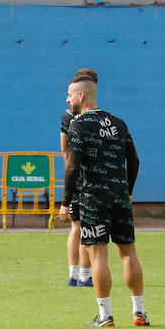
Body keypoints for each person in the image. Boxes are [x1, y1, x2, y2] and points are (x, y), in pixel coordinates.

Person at [60, 70, 147, 328]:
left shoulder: (78, 125)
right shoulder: (119, 123)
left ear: (81, 95)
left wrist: (66, 201)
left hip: (93, 200)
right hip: (120, 196)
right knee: (128, 253)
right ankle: (139, 312)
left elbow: (72, 166)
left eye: (69, 95)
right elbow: (134, 160)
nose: (67, 100)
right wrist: (128, 191)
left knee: (98, 257)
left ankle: (105, 316)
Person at [60, 68, 96, 289]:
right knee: (82, 226)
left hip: (76, 178)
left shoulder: (68, 115)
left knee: (77, 226)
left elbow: (64, 149)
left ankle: (75, 274)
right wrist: (75, 175)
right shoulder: (74, 115)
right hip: (84, 181)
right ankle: (82, 274)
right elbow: (65, 150)